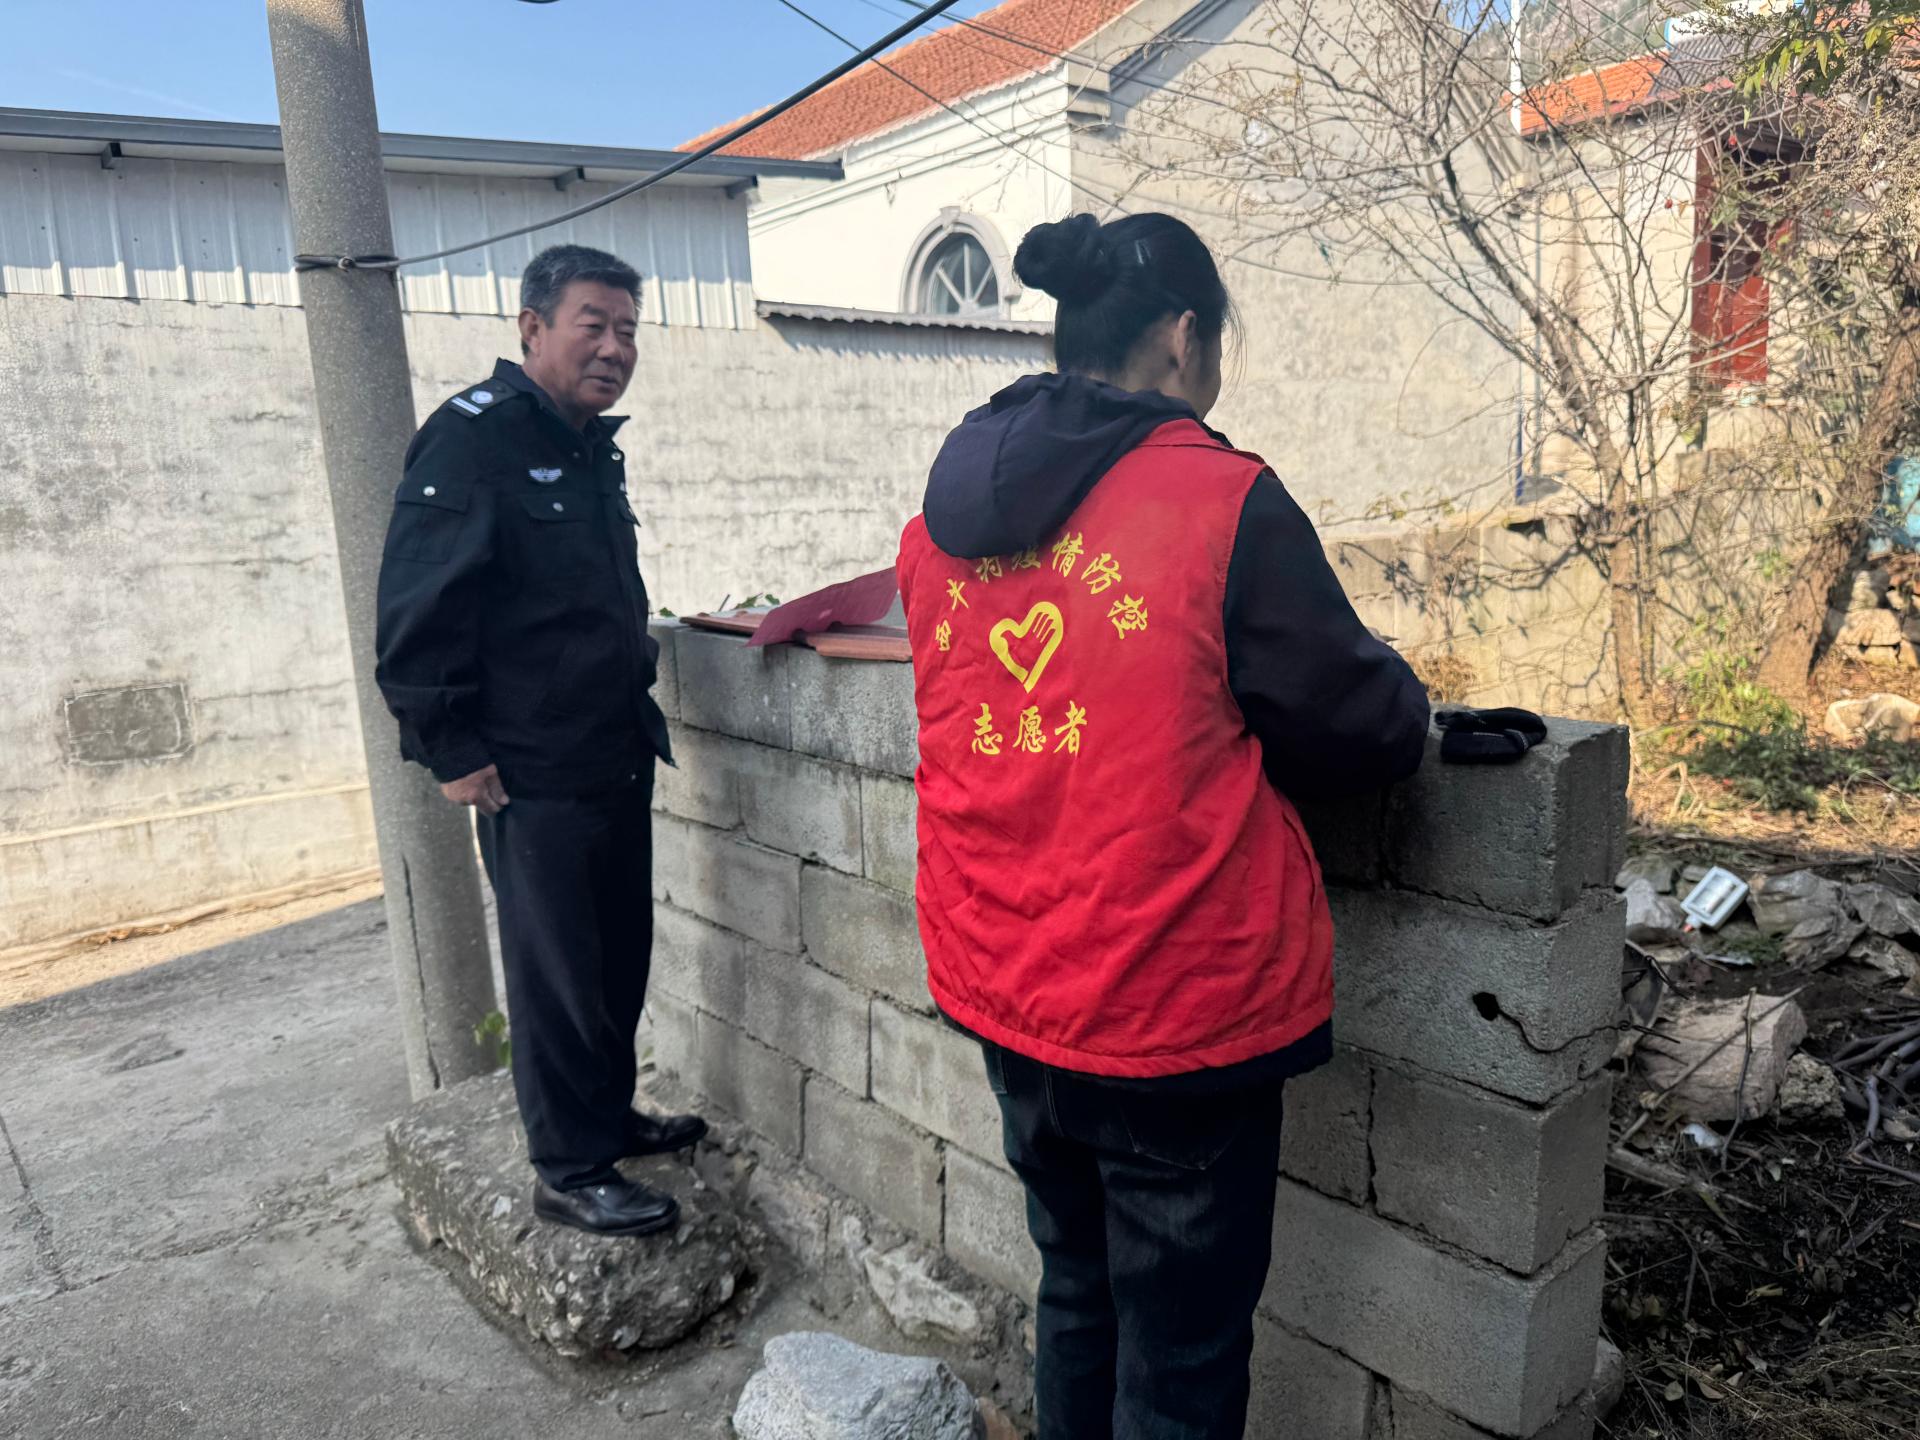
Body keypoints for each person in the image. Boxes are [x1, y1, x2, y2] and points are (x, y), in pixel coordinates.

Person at [896, 212, 1431, 1439]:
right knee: (1182, 1357)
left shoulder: (940, 520)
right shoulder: (1218, 501)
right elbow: (1362, 731)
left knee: (1077, 1289)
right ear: (1185, 337)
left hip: (1006, 988)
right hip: (1165, 1005)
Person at [374, 244, 704, 1238]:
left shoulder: (590, 446)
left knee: (616, 957)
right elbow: (418, 607)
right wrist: (449, 746)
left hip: (612, 748)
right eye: (593, 325)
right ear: (532, 328)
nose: (614, 348)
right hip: (530, 767)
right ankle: (567, 1169)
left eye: (628, 331)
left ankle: (607, 1116)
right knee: (557, 972)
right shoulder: (473, 439)